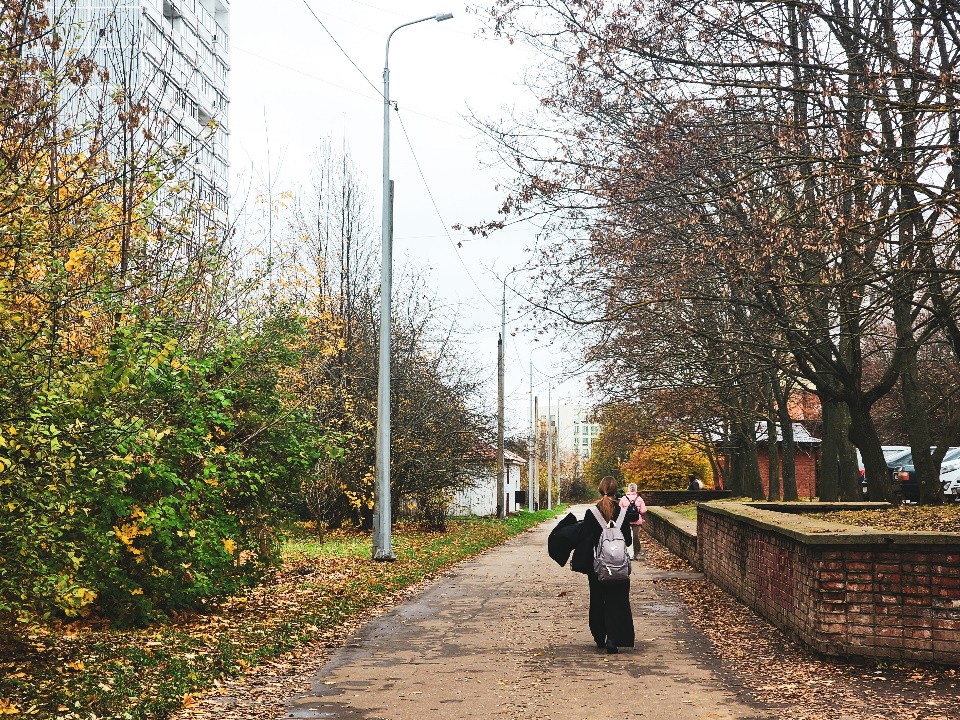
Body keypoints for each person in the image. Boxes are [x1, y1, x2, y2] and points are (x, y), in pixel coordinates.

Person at [571, 476, 635, 654]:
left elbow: (585, 539)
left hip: (597, 565)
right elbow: (628, 541)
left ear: (600, 489)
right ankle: (613, 639)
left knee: (598, 599)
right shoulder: (622, 513)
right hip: (619, 566)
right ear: (616, 491)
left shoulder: (591, 512)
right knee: (618, 600)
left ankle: (600, 636)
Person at [618, 482, 647, 560]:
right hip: (637, 521)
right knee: (635, 537)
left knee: (626, 536)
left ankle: (627, 553)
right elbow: (644, 510)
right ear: (636, 489)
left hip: (626, 521)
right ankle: (636, 553)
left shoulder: (623, 498)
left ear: (628, 489)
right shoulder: (639, 499)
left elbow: (619, 510)